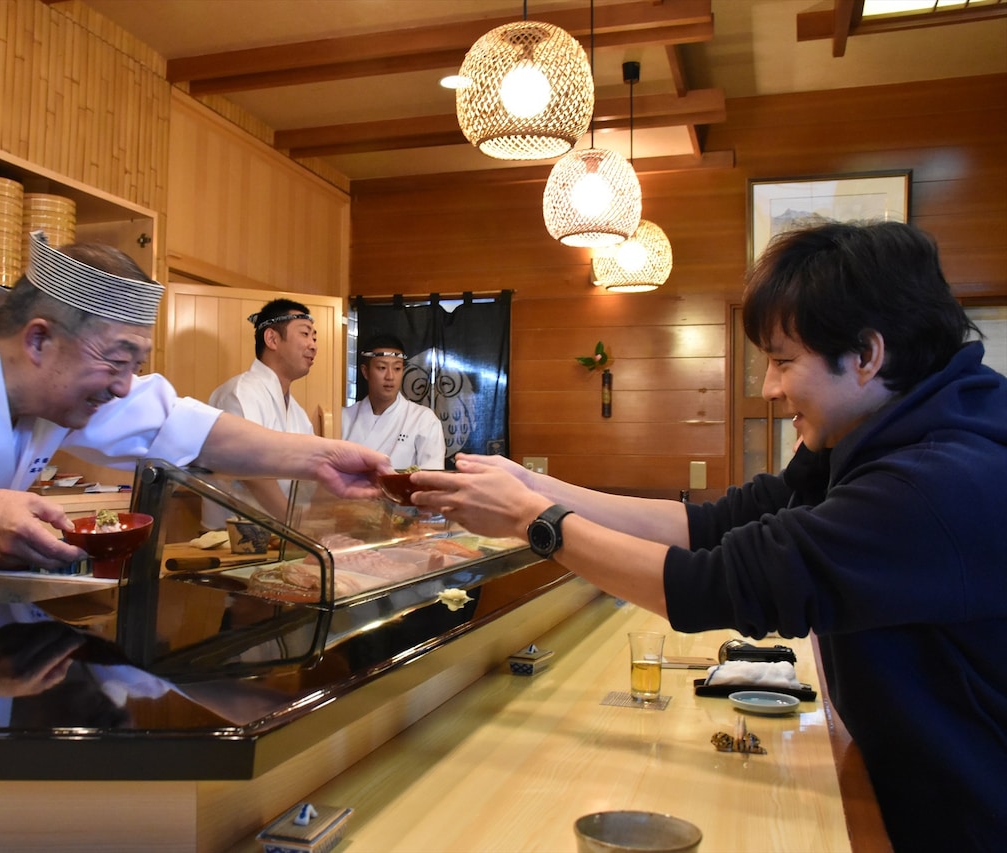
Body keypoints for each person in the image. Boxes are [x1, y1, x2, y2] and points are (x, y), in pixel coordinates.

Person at [409, 220, 1007, 850]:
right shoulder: (875, 433)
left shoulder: (936, 481)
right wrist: (540, 493)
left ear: (865, 355)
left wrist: (532, 522)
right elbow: (713, 527)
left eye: (783, 361)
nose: (772, 388)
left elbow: (712, 586)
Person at [0, 233, 390, 602]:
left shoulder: (64, 378)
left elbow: (187, 427)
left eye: (137, 363)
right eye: (119, 360)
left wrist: (319, 456)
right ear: (39, 339)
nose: (126, 384)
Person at [206, 298, 319, 520]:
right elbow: (251, 472)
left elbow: (313, 467)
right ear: (272, 339)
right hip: (233, 539)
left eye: (314, 337)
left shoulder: (296, 411)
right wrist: (294, 522)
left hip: (280, 534)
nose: (313, 345)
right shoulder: (240, 393)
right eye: (305, 334)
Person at [342, 335, 445, 470]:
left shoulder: (423, 420)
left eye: (397, 368)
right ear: (365, 372)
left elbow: (431, 478)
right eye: (382, 368)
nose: (390, 377)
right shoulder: (344, 418)